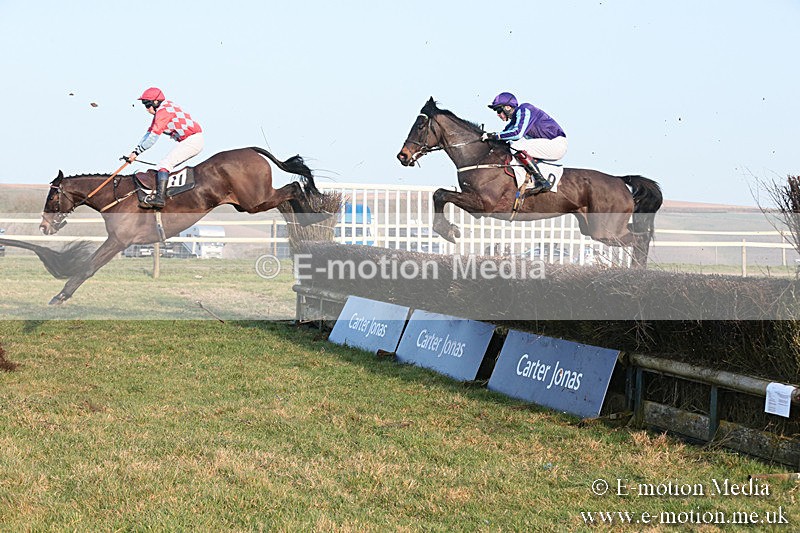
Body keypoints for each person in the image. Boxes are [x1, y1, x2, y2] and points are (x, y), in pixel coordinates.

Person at [125, 87, 204, 208]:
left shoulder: (163, 112)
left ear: (156, 102)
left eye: (147, 104)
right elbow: (148, 133)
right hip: (191, 139)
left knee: (164, 165)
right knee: (162, 166)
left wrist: (136, 153)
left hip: (192, 140)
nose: (146, 109)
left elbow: (152, 139)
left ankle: (159, 199)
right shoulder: (164, 108)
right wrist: (134, 152)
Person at [481, 92, 567, 193]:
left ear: (508, 107)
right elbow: (504, 135)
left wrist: (494, 136)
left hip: (556, 144)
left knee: (516, 145)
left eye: (499, 110)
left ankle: (541, 181)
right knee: (510, 146)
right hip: (548, 144)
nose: (498, 114)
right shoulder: (515, 120)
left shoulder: (524, 109)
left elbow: (517, 133)